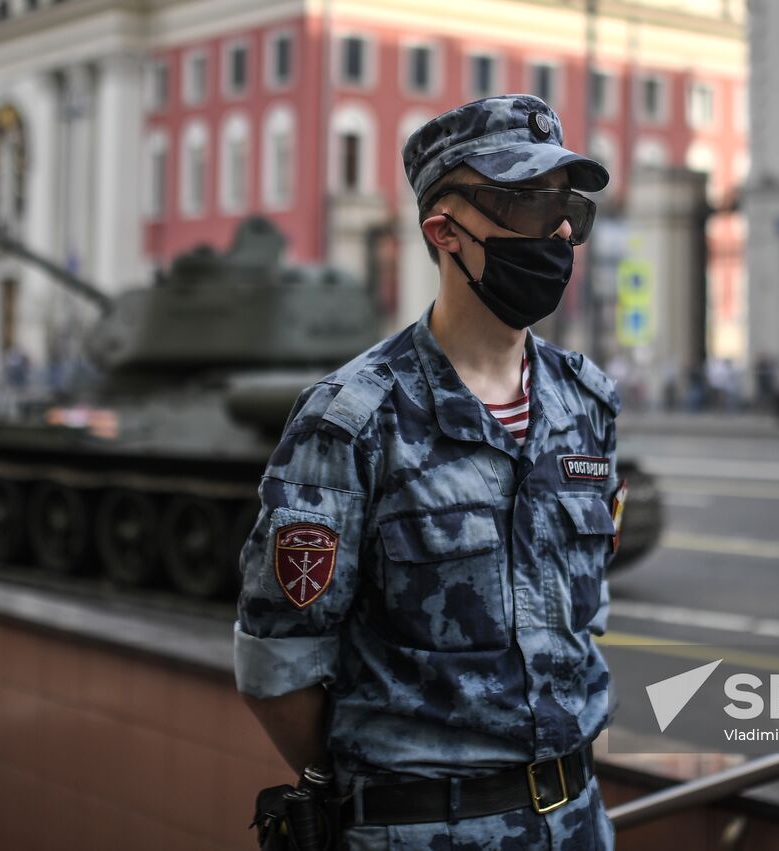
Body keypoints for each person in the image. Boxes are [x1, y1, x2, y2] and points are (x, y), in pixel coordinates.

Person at [234, 94, 621, 850]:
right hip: (425, 833)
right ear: (447, 232)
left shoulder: (587, 403)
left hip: (578, 822)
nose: (563, 228)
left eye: (568, 204)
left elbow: (581, 622)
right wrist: (374, 785)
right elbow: (277, 665)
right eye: (530, 203)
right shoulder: (351, 419)